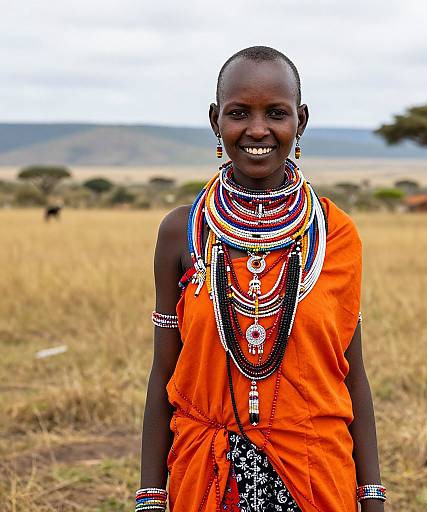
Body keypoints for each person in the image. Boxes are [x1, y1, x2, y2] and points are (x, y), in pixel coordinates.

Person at [137, 46, 385, 512]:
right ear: (215, 120)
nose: (257, 130)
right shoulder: (181, 232)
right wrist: (150, 496)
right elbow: (163, 374)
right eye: (238, 113)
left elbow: (353, 376)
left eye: (276, 113)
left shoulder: (334, 234)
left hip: (316, 475)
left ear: (301, 121)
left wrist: (371, 497)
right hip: (205, 479)